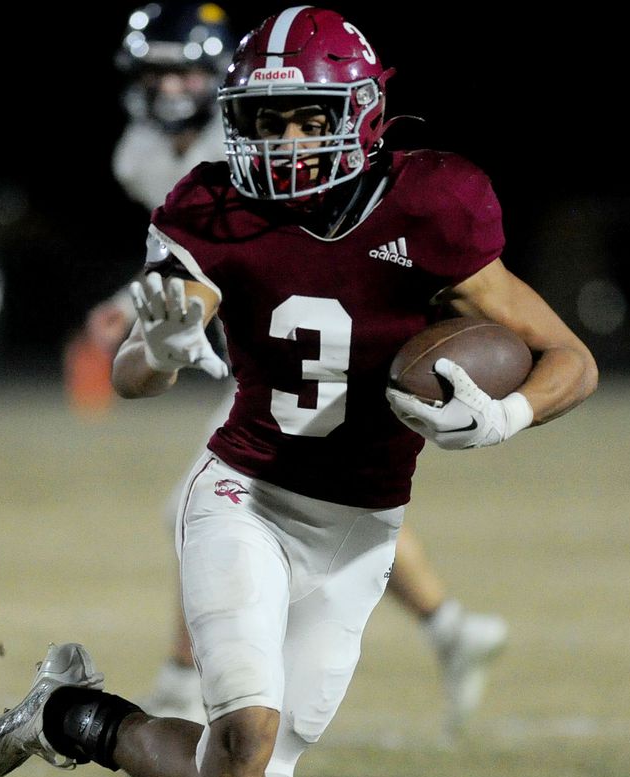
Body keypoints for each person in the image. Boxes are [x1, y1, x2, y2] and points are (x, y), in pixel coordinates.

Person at [0, 7, 598, 777]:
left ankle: (75, 716)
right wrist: (156, 346)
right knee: (242, 741)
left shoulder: (431, 204)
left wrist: (507, 414)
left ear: (364, 115)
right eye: (267, 118)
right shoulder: (213, 208)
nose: (287, 140)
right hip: (246, 492)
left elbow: (571, 357)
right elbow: (135, 371)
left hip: (362, 523)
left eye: (310, 116)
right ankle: (82, 717)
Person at [65, 2, 509, 735]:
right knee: (314, 495)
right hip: (264, 330)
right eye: (156, 71)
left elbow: (281, 227)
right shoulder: (140, 154)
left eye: (185, 69)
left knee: (217, 503)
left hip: (315, 328)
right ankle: (450, 625)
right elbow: (198, 250)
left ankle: (182, 679)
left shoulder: (264, 123)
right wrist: (135, 306)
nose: (171, 85)